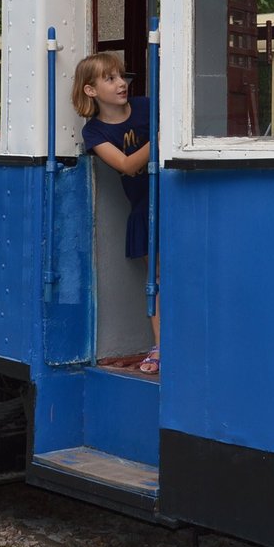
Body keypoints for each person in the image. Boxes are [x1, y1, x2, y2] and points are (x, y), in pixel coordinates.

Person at [71, 51, 160, 374]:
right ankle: (161, 346)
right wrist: (161, 138)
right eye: (110, 79)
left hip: (171, 200)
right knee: (157, 280)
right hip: (144, 209)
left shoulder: (148, 106)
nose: (122, 83)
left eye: (122, 76)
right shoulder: (94, 133)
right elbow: (125, 164)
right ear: (90, 90)